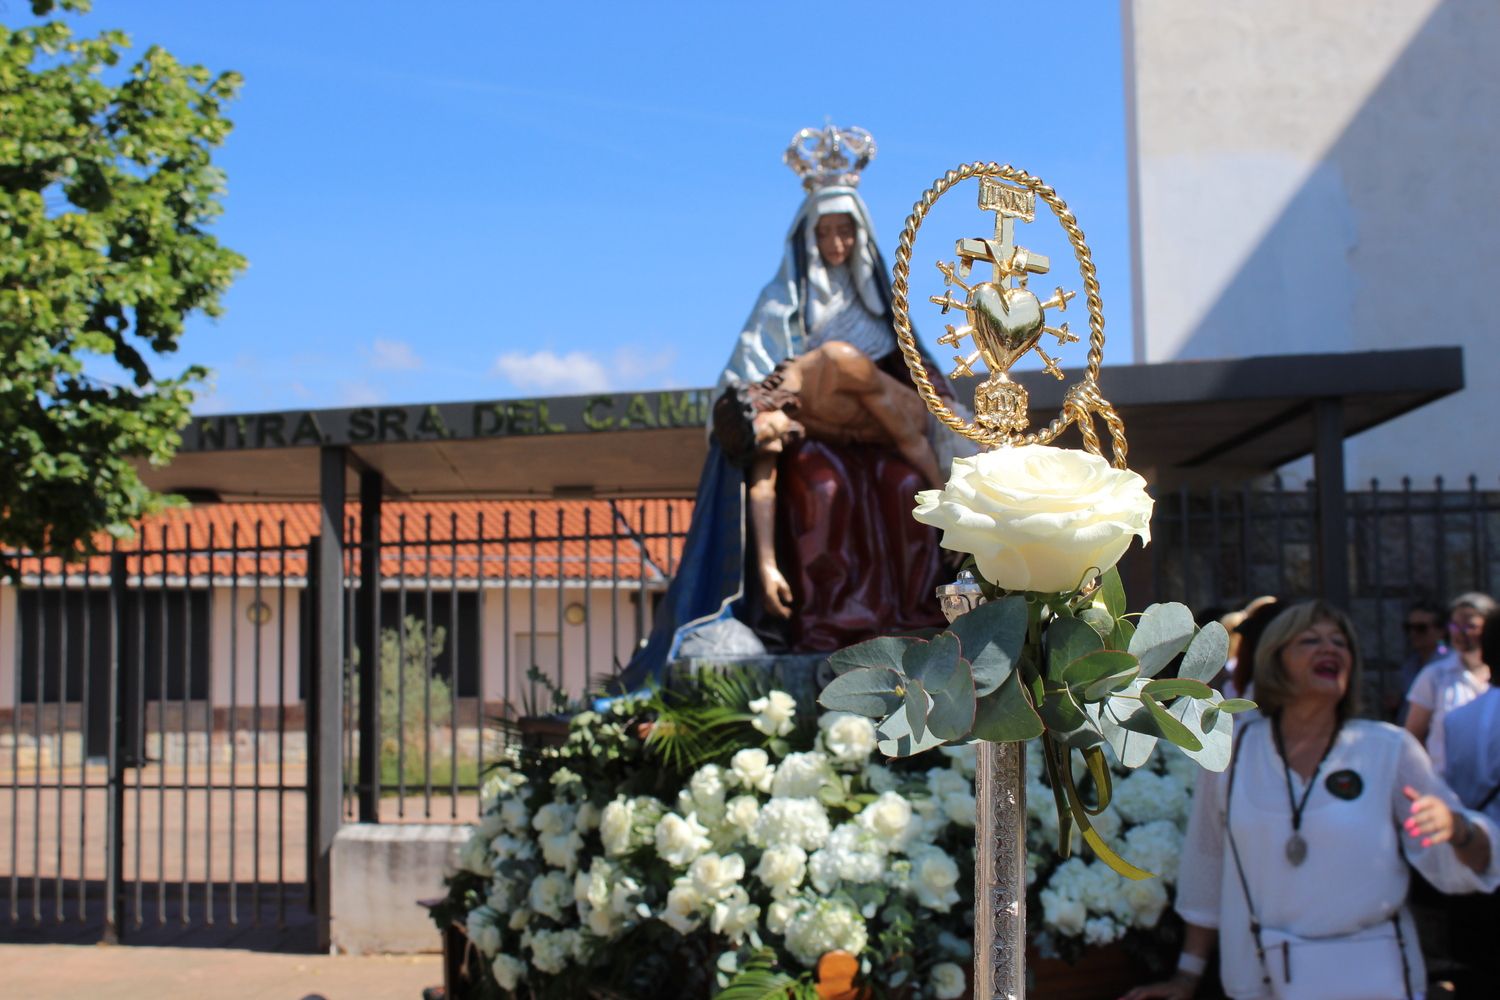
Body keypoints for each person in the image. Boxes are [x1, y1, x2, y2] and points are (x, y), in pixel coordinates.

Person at [1122, 599, 1499, 1000]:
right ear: (1275, 659)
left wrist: (1459, 830)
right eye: (1311, 640)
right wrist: (1186, 977)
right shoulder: (1232, 749)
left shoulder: (1389, 749)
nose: (1330, 649)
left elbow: (1468, 866)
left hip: (1374, 978)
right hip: (1260, 979)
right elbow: (1207, 866)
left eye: (1340, 642)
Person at [711, 342, 946, 647]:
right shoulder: (775, 418)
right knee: (823, 486)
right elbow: (762, 488)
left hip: (902, 444)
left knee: (905, 488)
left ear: (761, 406)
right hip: (852, 455)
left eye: (769, 437)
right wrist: (767, 567)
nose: (776, 448)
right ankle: (838, 620)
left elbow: (912, 442)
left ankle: (917, 614)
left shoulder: (837, 364)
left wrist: (946, 507)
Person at [1404, 592, 1496, 773]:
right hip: (1445, 788)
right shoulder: (1434, 676)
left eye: (1470, 626)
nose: (1460, 633)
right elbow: (1412, 735)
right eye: (1455, 625)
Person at [1393, 599, 1448, 722]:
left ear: (1441, 631)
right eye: (1409, 628)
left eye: (1421, 628)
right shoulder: (1410, 665)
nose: (1413, 633)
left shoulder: (1449, 663)